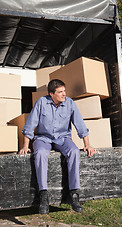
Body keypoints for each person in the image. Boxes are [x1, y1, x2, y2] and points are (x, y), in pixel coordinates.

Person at [19, 79, 96, 214]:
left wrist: (87, 145)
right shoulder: (41, 103)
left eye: (64, 91)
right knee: (41, 153)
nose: (64, 94)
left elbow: (80, 125)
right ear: (51, 94)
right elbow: (30, 126)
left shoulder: (70, 103)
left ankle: (74, 195)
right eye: (60, 92)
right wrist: (25, 146)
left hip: (62, 138)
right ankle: (43, 195)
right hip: (43, 138)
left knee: (74, 152)